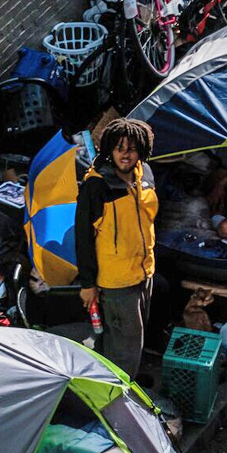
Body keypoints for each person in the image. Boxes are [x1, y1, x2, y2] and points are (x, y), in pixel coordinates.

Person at [74, 117, 160, 381]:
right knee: (124, 346)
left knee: (133, 338)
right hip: (116, 281)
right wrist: (88, 283)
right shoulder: (97, 186)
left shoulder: (145, 174)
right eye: (119, 147)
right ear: (109, 149)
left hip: (144, 272)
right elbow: (83, 238)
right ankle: (118, 396)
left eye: (132, 148)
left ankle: (127, 383)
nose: (126, 154)